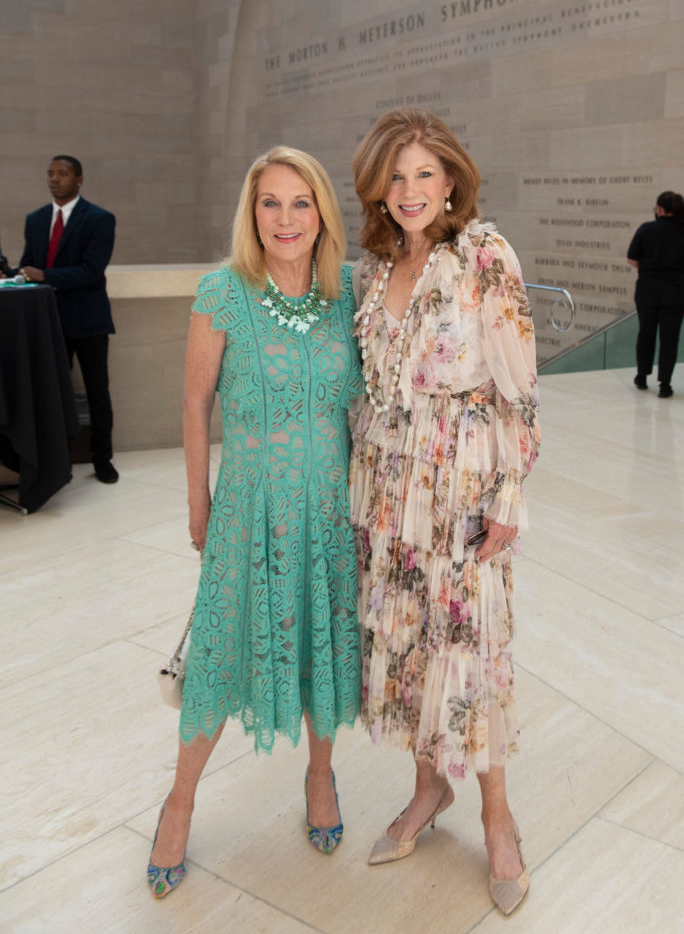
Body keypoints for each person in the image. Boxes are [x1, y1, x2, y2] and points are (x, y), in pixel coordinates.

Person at [147, 147, 362, 899]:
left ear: (323, 213)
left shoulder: (347, 294)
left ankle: (320, 775)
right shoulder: (223, 291)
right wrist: (198, 503)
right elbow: (194, 403)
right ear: (252, 212)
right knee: (219, 652)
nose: (285, 218)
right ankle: (179, 803)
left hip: (329, 515)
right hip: (247, 512)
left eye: (301, 202)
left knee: (320, 644)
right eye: (270, 202)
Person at [349, 108, 540, 916]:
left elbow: (519, 385)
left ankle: (498, 817)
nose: (409, 190)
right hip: (385, 492)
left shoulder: (484, 255)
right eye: (394, 177)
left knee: (471, 649)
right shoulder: (374, 267)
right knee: (405, 647)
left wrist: (509, 492)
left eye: (424, 173)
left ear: (452, 179)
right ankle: (429, 790)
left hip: (460, 484)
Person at [8, 156, 118, 483]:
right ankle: (57, 459)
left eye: (63, 173)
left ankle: (103, 459)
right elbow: (30, 266)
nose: (55, 179)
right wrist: (12, 273)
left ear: (79, 179)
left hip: (88, 319)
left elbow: (92, 270)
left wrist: (47, 275)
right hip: (48, 321)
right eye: (51, 174)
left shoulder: (99, 219)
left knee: (97, 391)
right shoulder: (36, 219)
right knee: (51, 390)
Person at [627, 191, 684, 398]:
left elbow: (632, 259)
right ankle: (665, 385)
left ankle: (642, 376)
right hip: (676, 291)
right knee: (670, 338)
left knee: (646, 333)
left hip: (648, 289)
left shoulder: (647, 229)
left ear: (659, 209)